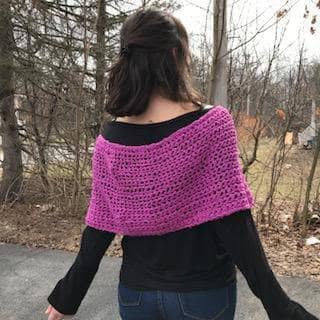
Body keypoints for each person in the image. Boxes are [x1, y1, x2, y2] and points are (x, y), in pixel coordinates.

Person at [45, 8, 319, 320]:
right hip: (201, 295)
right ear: (176, 55)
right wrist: (280, 306)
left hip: (136, 296)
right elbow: (234, 223)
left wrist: (69, 294)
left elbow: (98, 227)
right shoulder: (212, 125)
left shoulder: (111, 138)